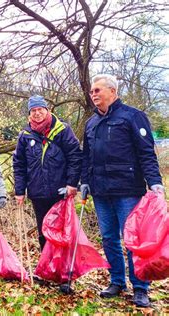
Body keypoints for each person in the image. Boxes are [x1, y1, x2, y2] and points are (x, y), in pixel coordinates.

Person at [81, 74, 164, 307]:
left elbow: (146, 153)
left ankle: (140, 287)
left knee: (132, 240)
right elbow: (86, 156)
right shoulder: (91, 123)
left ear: (113, 92)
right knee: (109, 238)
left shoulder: (133, 117)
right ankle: (117, 280)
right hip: (100, 191)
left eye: (98, 90)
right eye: (91, 91)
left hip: (127, 189)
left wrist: (155, 182)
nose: (93, 94)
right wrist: (84, 181)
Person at [13, 95, 82, 251]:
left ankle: (62, 268)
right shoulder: (25, 135)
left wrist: (72, 183)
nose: (37, 113)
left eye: (40, 109)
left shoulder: (62, 130)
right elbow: (19, 164)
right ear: (29, 114)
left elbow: (75, 156)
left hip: (60, 191)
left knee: (60, 231)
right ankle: (46, 267)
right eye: (33, 110)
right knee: (43, 231)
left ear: (47, 110)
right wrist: (19, 190)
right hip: (37, 193)